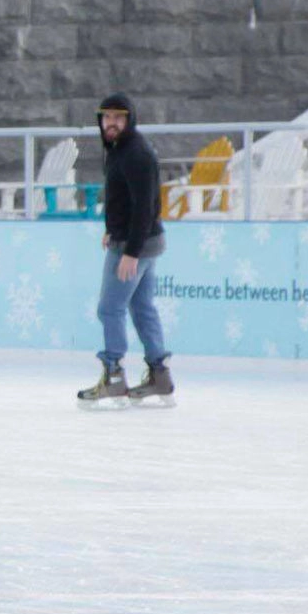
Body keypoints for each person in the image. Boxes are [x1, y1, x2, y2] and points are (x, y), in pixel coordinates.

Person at [77, 93, 174, 408]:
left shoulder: (136, 154)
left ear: (130, 120)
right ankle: (160, 375)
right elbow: (122, 199)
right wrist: (112, 229)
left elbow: (144, 207)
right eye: (107, 118)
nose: (112, 123)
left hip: (137, 245)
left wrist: (131, 252)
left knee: (110, 308)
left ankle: (114, 376)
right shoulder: (117, 150)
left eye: (119, 118)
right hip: (140, 241)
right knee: (142, 308)